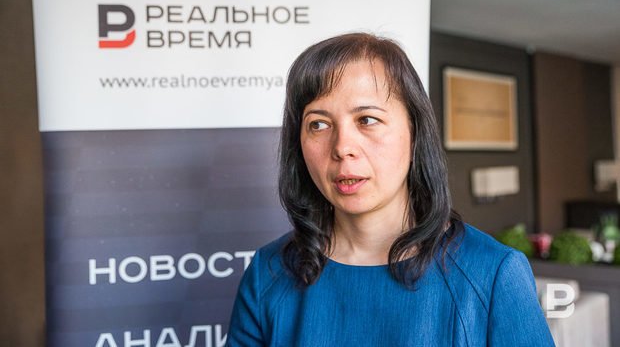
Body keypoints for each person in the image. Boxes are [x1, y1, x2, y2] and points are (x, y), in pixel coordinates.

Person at [226, 33, 555, 346]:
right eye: (319, 124)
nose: (342, 147)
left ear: (415, 132)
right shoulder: (267, 273)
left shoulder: (493, 274)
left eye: (367, 120)